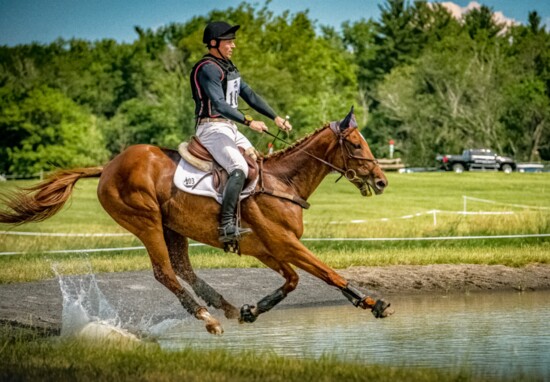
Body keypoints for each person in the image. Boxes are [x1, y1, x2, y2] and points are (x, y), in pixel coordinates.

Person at [190, 21, 292, 243]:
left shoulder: (228, 67)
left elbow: (251, 96)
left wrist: (275, 117)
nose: (233, 45)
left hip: (229, 127)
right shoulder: (208, 68)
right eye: (229, 41)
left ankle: (253, 216)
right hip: (212, 127)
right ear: (214, 43)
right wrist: (249, 121)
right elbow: (218, 104)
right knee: (239, 167)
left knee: (259, 164)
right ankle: (226, 225)